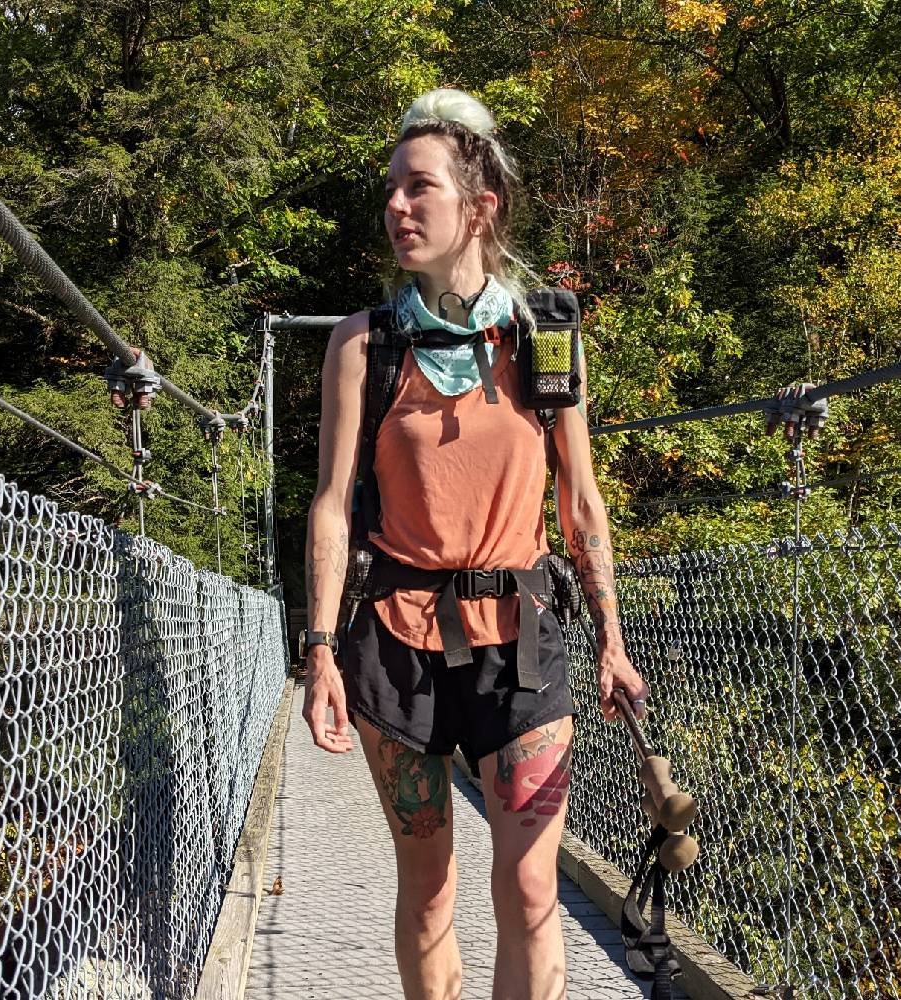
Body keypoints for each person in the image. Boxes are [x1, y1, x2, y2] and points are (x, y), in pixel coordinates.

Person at [301, 87, 650, 1000]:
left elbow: (580, 499)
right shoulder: (361, 346)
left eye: (419, 189)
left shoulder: (545, 339)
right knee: (426, 895)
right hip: (397, 643)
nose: (396, 208)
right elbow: (333, 503)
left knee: (533, 890)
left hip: (523, 642)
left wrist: (612, 640)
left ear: (479, 207)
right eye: (391, 190)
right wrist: (321, 648)